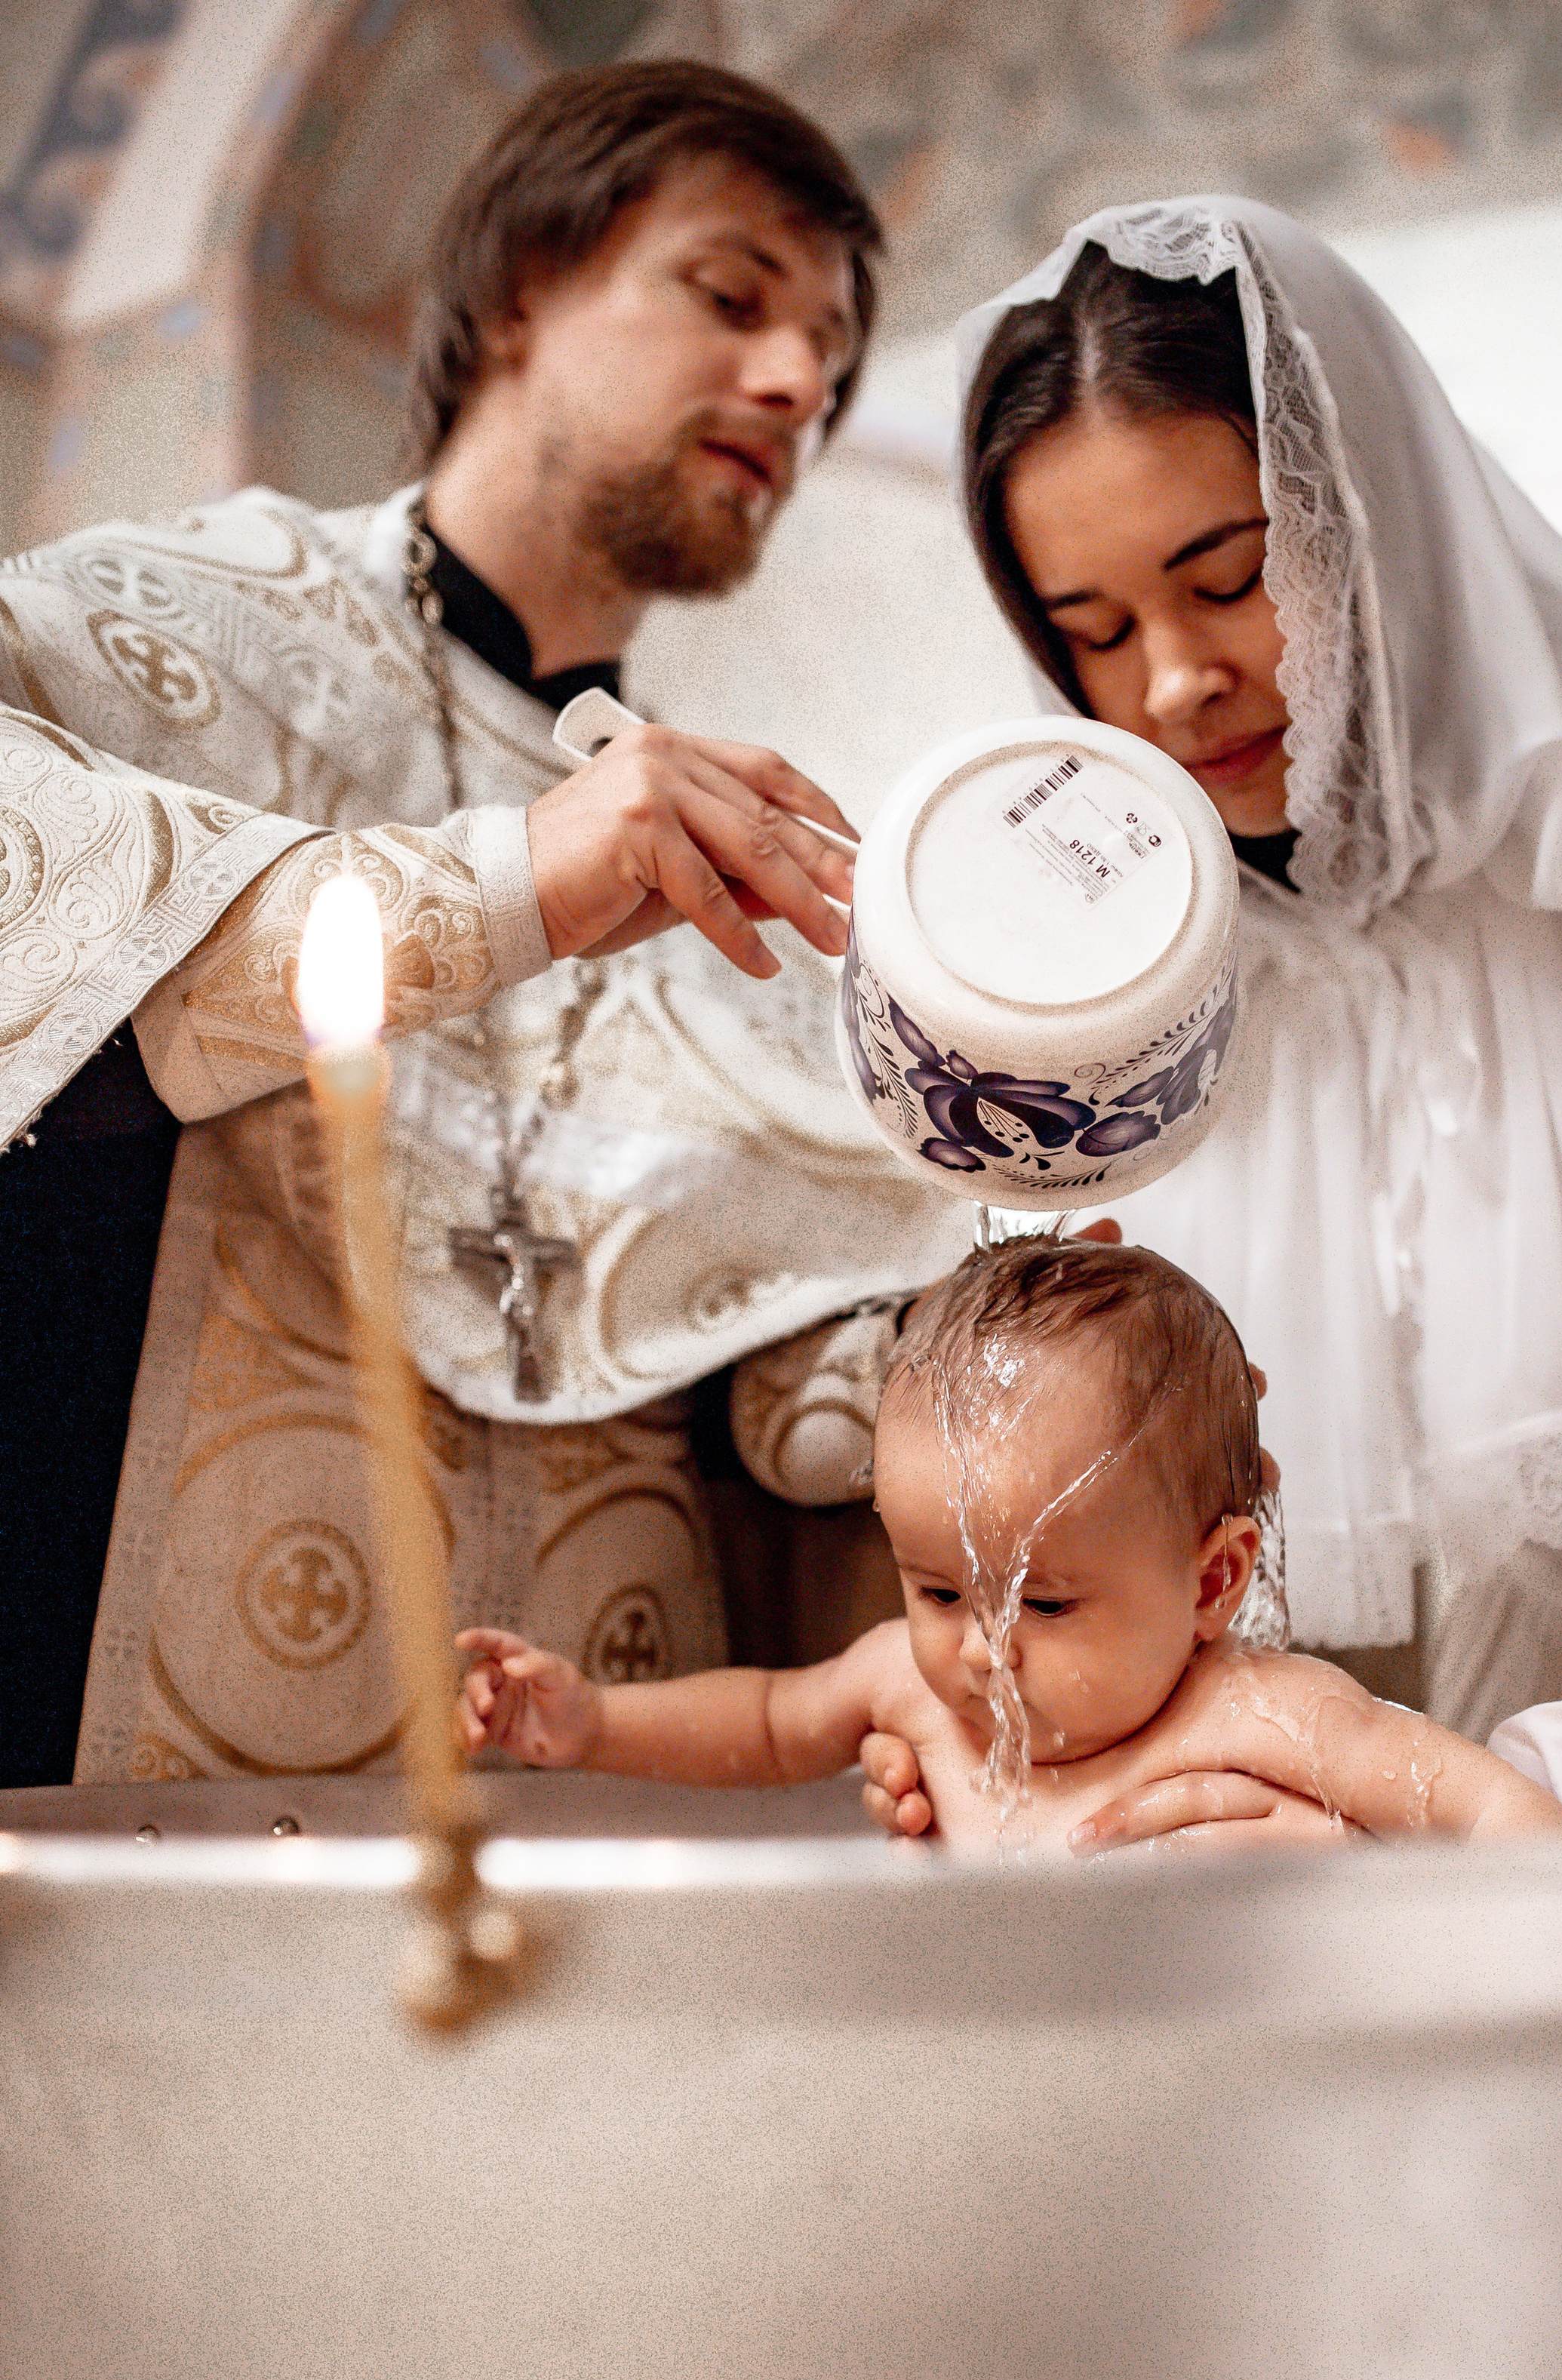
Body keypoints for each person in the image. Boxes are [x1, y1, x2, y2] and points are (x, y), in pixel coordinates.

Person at [0, 61, 968, 1791]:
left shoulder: (738, 847)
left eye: (826, 351)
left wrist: (963, 1364)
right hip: (161, 1728)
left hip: (599, 1782)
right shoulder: (186, 625)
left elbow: (746, 1358)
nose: (794, 379)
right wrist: (503, 883)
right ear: (521, 286)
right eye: (731, 296)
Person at [910, 200, 1562, 1840]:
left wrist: (1512, 1795)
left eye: (1228, 579)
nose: (1172, 687)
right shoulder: (1181, 956)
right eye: (1093, 637)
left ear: (1367, 519)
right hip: (1454, 1754)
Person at [456, 1238, 1562, 1850]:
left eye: (1044, 1604)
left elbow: (1476, 1800)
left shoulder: (1257, 1715)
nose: (984, 1651)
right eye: (942, 1591)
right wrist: (593, 1721)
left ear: (1213, 1579)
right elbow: (765, 1724)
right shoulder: (915, 1696)